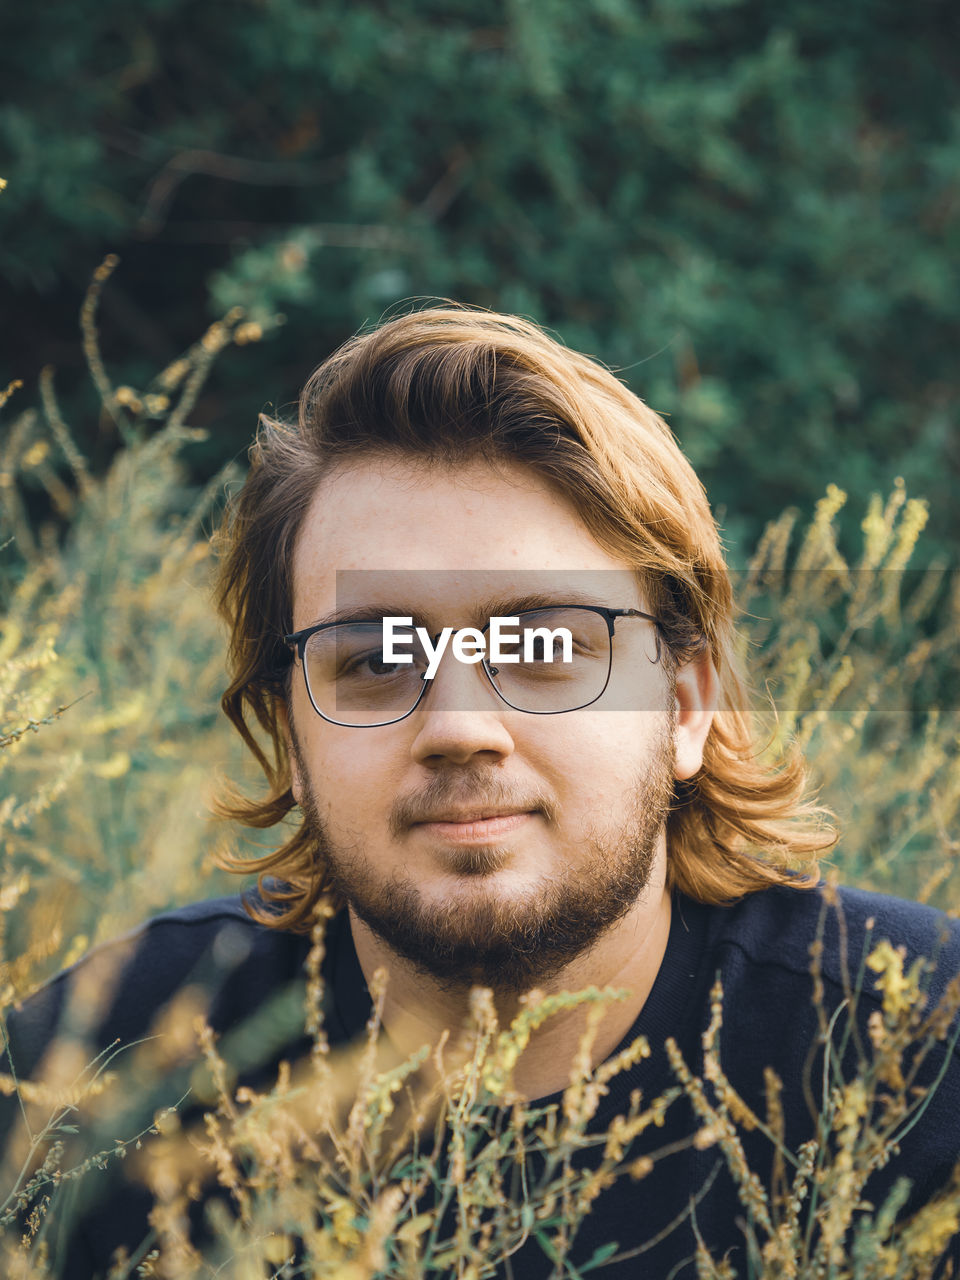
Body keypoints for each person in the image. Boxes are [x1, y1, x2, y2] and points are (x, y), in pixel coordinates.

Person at [2, 307, 958, 1278]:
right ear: (286, 729)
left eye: (543, 645)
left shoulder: (919, 1056)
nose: (460, 725)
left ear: (684, 704)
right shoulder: (94, 1078)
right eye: (376, 657)